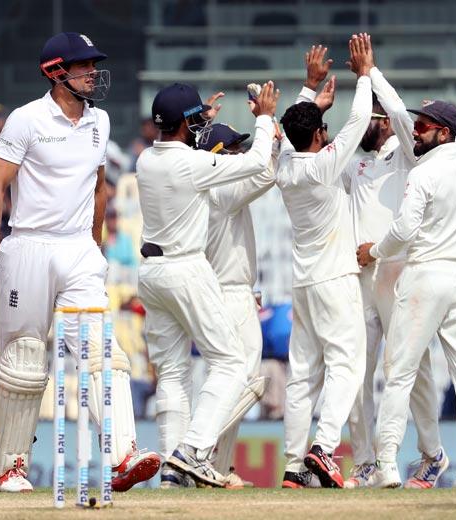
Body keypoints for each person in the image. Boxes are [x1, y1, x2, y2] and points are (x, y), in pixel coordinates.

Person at [0, 32, 160, 493]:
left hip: (78, 252)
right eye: (83, 65)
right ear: (56, 72)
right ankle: (10, 465)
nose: (92, 72)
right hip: (28, 246)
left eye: (93, 64)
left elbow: (98, 187)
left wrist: (95, 246)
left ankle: (122, 454)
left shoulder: (101, 122)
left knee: (100, 350)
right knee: (25, 362)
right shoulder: (26, 119)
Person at [136, 81, 279, 487]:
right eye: (195, 117)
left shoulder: (146, 160)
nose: (201, 122)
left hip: (151, 274)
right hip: (186, 269)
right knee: (231, 362)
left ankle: (172, 467)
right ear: (184, 123)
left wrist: (199, 120)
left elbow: (186, 143)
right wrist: (265, 117)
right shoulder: (192, 166)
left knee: (173, 372)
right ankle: (194, 450)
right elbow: (254, 165)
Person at [358, 99, 456, 488]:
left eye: (424, 125)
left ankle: (386, 464)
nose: (414, 130)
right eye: (416, 123)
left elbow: (404, 231)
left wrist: (374, 251)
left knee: (399, 373)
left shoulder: (425, 172)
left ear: (444, 133)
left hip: (425, 274)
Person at [341, 43, 444, 489]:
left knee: (408, 368)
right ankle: (366, 462)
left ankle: (430, 453)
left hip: (398, 271)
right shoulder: (353, 161)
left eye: (371, 120)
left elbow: (403, 115)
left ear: (383, 123)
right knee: (356, 370)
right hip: (361, 277)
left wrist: (371, 72)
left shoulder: (405, 152)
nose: (365, 126)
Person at [277, 35, 371, 489]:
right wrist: (365, 75)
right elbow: (357, 123)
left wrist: (310, 91)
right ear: (319, 137)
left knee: (302, 376)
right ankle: (324, 448)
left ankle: (294, 466)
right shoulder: (323, 166)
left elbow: (291, 128)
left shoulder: (284, 163)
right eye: (322, 130)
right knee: (348, 364)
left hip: (303, 283)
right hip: (334, 279)